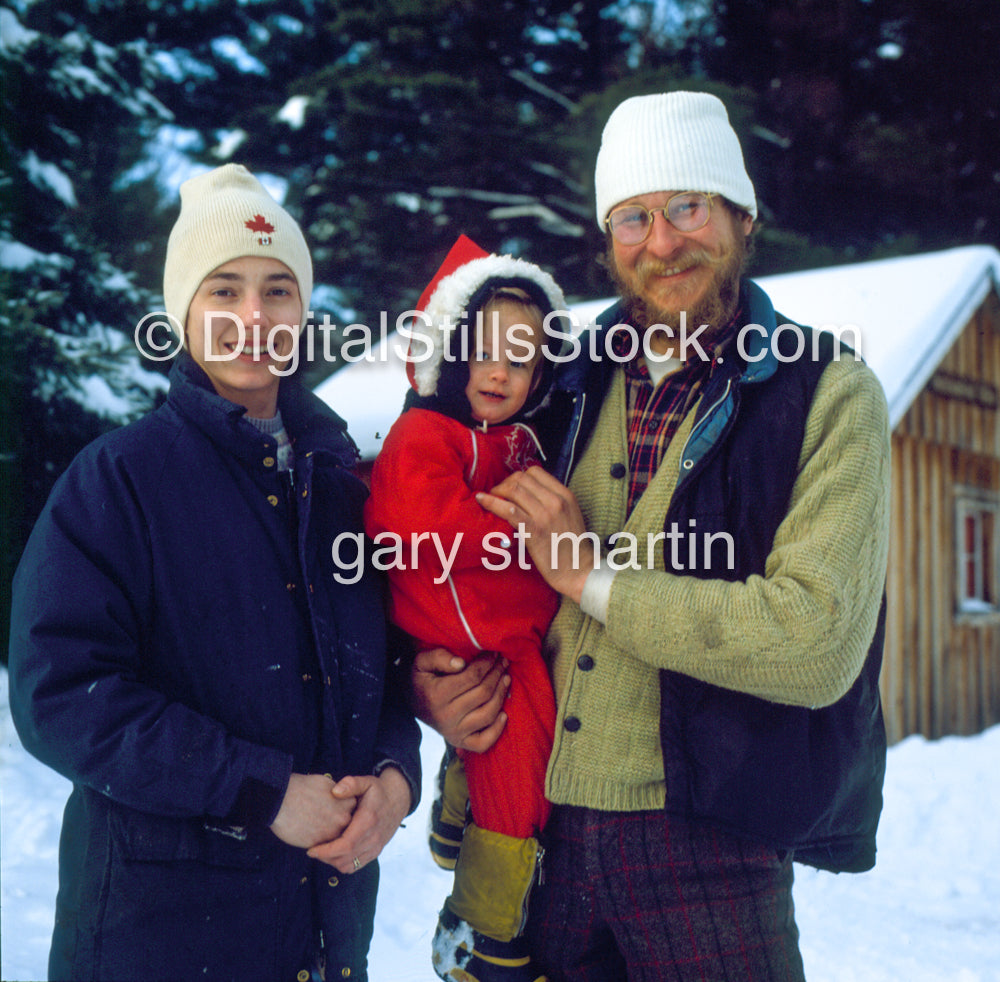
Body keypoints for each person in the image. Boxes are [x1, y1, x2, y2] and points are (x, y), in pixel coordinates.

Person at [412, 91, 891, 981]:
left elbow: (817, 639)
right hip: (537, 840)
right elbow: (452, 562)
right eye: (633, 216)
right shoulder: (553, 382)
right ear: (607, 236)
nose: (662, 241)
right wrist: (432, 684)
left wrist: (593, 581)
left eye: (687, 206)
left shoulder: (827, 392)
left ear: (742, 217)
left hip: (713, 851)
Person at [7, 163, 421, 982]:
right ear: (182, 312)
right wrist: (261, 788)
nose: (252, 317)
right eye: (223, 290)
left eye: (278, 290)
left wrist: (394, 779)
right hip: (158, 938)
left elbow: (389, 673)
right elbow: (60, 694)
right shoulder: (119, 480)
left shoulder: (344, 486)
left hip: (322, 931)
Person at [364, 235, 564, 982]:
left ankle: (457, 818)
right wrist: (526, 535)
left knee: (520, 749)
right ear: (450, 351)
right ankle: (490, 934)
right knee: (519, 770)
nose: (500, 371)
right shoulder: (423, 432)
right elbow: (429, 524)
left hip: (499, 633)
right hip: (457, 627)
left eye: (523, 357)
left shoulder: (521, 443)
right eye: (483, 350)